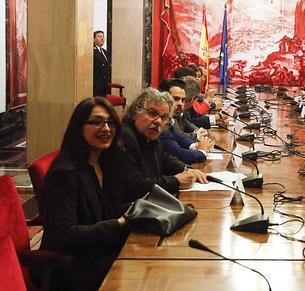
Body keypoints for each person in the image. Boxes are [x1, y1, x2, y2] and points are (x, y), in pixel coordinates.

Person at [33, 97, 130, 290]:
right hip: (72, 267)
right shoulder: (66, 174)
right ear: (78, 127)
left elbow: (106, 210)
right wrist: (118, 224)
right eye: (96, 122)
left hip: (99, 253)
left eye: (110, 122)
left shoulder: (106, 163)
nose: (106, 129)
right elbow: (65, 235)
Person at [120, 87, 207, 197]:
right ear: (135, 112)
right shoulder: (124, 138)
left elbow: (163, 157)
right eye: (152, 113)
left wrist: (186, 170)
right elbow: (134, 186)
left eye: (164, 117)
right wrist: (176, 181)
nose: (158, 121)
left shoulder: (150, 136)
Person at [158, 78, 214, 164]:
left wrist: (196, 145)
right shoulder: (159, 122)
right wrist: (202, 151)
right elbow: (178, 153)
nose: (180, 103)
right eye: (175, 99)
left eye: (183, 100)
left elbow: (179, 138)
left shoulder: (169, 119)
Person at [93, 30, 111, 97]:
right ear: (93, 39)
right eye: (99, 36)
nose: (102, 38)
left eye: (103, 37)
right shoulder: (92, 51)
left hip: (104, 85)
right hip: (96, 86)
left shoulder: (104, 52)